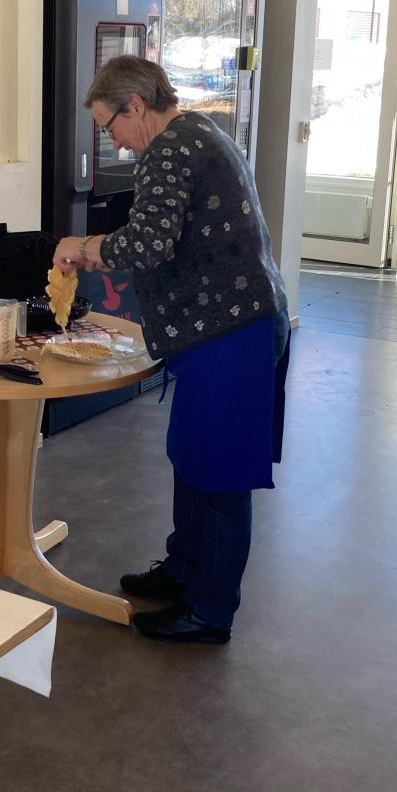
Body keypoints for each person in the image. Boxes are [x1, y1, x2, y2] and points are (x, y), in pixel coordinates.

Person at [53, 55, 290, 646]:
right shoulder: (199, 130)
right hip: (226, 325)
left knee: (219, 472)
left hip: (232, 331)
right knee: (192, 456)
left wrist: (84, 246)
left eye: (110, 126)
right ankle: (184, 567)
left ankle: (209, 611)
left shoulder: (170, 149)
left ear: (135, 105)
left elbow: (149, 243)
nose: (115, 141)